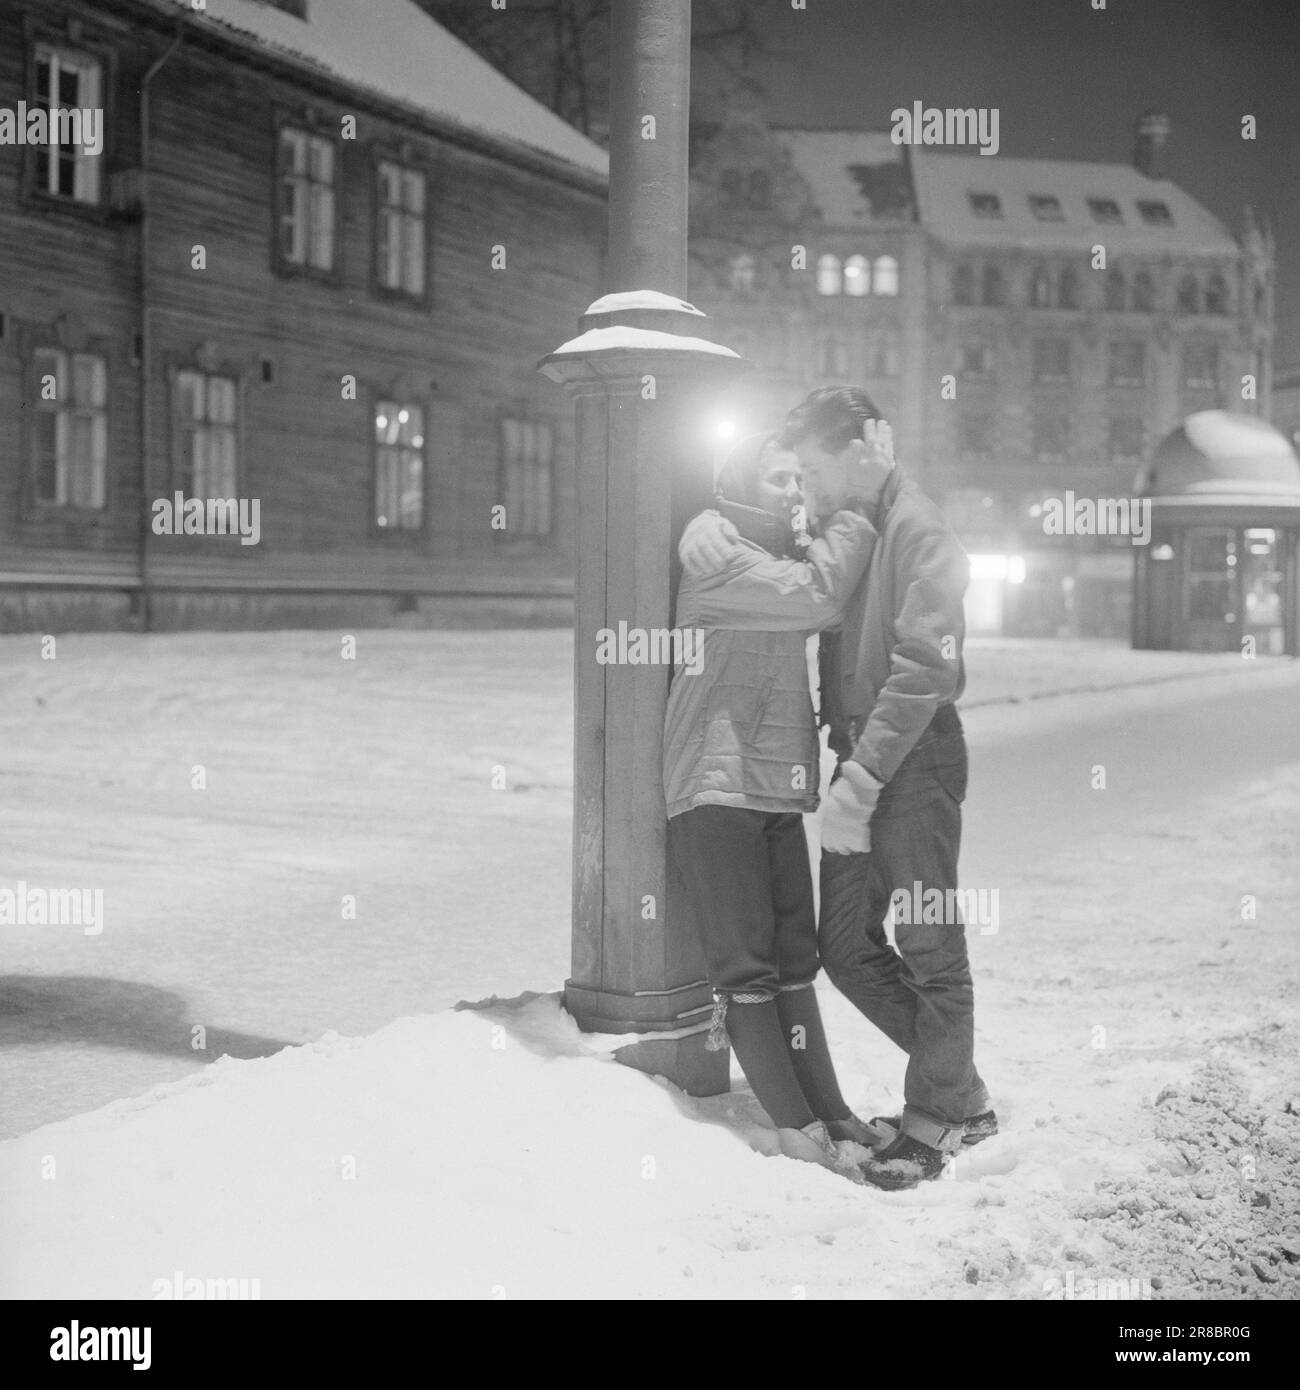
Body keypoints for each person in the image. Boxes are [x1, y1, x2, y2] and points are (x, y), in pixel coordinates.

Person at [683, 388, 996, 1191]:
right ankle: (958, 1090)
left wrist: (863, 777)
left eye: (815, 470)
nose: (807, 489)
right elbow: (793, 576)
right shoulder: (845, 525)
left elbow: (928, 668)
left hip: (909, 761)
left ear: (861, 450)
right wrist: (705, 519)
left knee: (930, 945)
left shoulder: (919, 528)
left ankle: (933, 1120)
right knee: (845, 949)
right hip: (855, 764)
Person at [664, 431, 884, 1170]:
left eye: (799, 479)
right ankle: (798, 1133)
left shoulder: (771, 552)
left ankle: (834, 1116)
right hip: (715, 786)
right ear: (736, 483)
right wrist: (851, 503)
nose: (793, 491)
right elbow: (820, 598)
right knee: (748, 969)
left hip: (772, 787)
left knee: (795, 960)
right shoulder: (720, 555)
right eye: (778, 478)